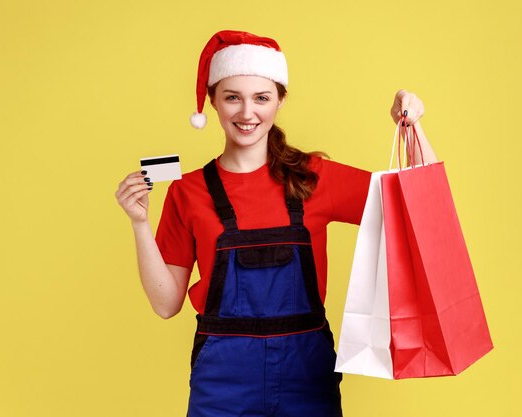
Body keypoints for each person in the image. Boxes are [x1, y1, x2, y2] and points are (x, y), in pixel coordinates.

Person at [115, 30, 437, 417]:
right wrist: (138, 223)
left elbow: (419, 204)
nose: (247, 113)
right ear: (213, 101)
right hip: (222, 384)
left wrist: (412, 127)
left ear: (280, 100)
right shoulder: (188, 192)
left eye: (261, 98)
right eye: (232, 97)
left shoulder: (313, 178)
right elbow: (166, 304)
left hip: (307, 377)